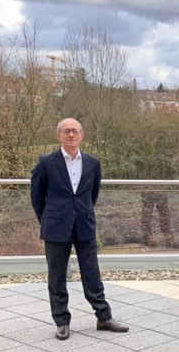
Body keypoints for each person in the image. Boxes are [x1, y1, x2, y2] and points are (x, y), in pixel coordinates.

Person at [30, 118, 129, 340]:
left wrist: (81, 213)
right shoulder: (46, 162)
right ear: (59, 136)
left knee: (92, 272)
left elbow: (93, 195)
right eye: (66, 131)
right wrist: (48, 219)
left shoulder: (93, 163)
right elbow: (37, 197)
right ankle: (62, 321)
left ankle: (103, 316)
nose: (71, 135)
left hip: (84, 224)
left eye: (75, 131)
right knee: (56, 276)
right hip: (56, 226)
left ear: (82, 135)